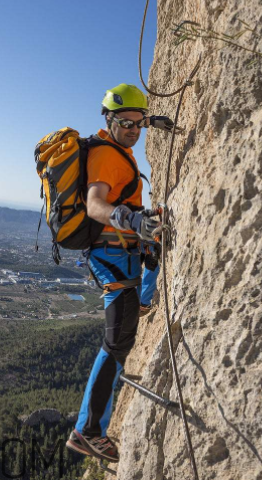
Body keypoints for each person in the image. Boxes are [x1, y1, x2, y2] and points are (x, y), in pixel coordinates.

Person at [66, 83, 175, 463]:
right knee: (116, 344)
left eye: (139, 123)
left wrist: (156, 120)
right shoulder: (107, 157)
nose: (133, 129)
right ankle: (88, 431)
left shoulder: (113, 145)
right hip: (110, 253)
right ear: (108, 120)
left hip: (119, 250)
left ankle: (143, 302)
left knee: (133, 303)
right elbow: (96, 203)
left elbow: (136, 121)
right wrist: (129, 218)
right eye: (125, 122)